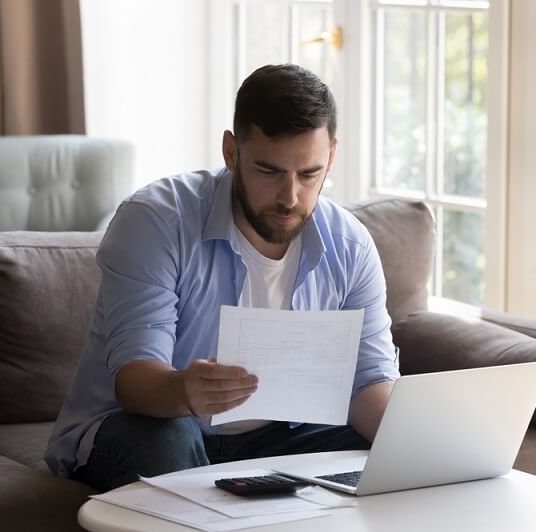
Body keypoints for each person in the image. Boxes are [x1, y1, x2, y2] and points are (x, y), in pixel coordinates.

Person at [44, 64, 400, 491]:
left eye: (309, 174)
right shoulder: (156, 222)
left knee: (379, 452)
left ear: (332, 156)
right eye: (268, 171)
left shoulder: (350, 246)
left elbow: (368, 384)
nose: (290, 197)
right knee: (171, 437)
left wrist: (424, 448)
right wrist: (183, 391)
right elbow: (134, 379)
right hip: (146, 424)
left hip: (277, 438)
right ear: (231, 152)